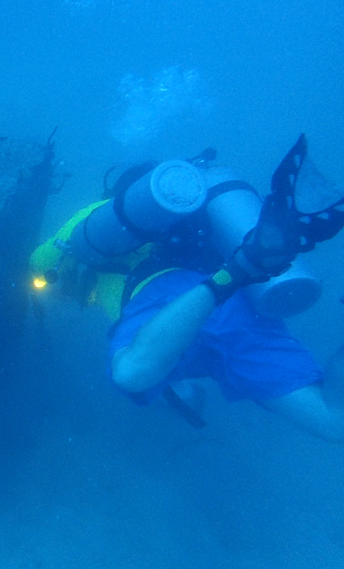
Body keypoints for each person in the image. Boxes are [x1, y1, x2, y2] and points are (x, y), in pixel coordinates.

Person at [30, 136, 344, 440]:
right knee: (334, 421)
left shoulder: (95, 218)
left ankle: (238, 270)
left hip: (160, 299)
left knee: (132, 374)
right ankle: (239, 269)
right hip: (237, 306)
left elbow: (38, 262)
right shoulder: (201, 210)